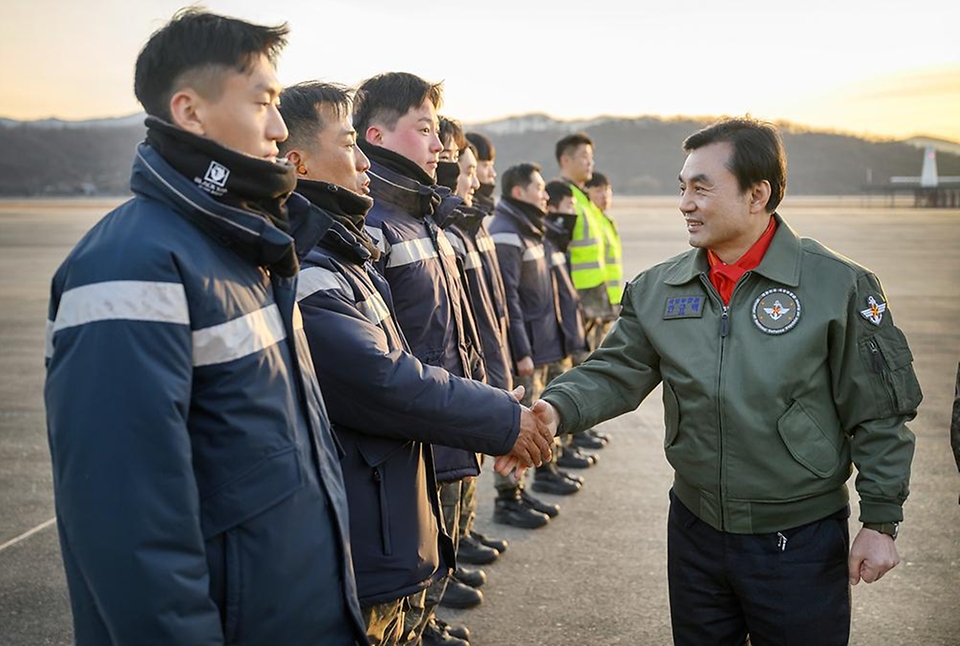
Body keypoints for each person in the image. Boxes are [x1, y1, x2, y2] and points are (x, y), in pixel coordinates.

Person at [526, 117, 922, 646]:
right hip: (694, 528)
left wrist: (880, 520)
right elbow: (615, 370)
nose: (685, 203)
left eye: (701, 188)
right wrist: (553, 409)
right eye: (681, 187)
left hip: (798, 536)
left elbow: (878, 409)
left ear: (758, 194)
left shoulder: (838, 286)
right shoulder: (659, 289)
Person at [43, 10, 369, 645]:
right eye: (263, 103)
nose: (279, 126)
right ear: (190, 112)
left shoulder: (245, 247)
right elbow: (128, 529)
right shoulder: (128, 270)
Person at [277, 82, 552, 646]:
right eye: (424, 129)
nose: (361, 163)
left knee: (414, 600)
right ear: (298, 159)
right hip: (386, 474)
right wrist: (499, 418)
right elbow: (382, 378)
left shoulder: (355, 240)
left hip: (419, 451)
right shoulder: (323, 255)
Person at [353, 72, 542, 646]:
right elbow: (382, 366)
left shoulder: (424, 219)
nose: (439, 146)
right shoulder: (374, 227)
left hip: (447, 412)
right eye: (426, 129)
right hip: (414, 427)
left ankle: (421, 624)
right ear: (378, 136)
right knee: (411, 551)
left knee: (437, 536)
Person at [489, 163, 583, 516]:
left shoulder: (528, 228)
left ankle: (525, 489)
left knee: (537, 421)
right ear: (518, 192)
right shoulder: (506, 232)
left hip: (540, 343)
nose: (545, 194)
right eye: (539, 188)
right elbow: (508, 297)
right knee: (520, 425)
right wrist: (522, 350)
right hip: (524, 350)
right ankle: (508, 499)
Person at [584, 171, 624, 314]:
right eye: (598, 190)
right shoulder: (589, 221)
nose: (604, 195)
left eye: (607, 190)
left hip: (610, 299)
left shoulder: (607, 222)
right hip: (594, 299)